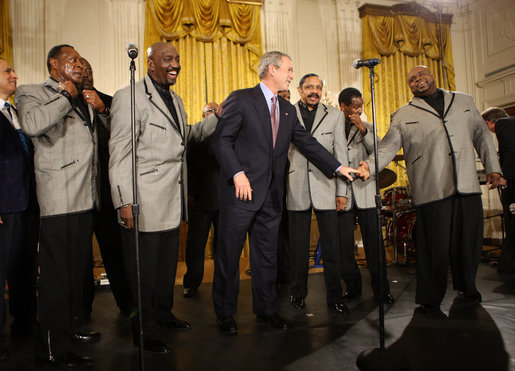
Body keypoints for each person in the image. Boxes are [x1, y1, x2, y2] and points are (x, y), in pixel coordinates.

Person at [211, 51, 365, 335]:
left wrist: (338, 167)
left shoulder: (286, 110)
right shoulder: (241, 99)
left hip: (271, 196)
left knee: (267, 257)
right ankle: (224, 313)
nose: (293, 74)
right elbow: (222, 140)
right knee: (230, 256)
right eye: (290, 69)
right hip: (240, 193)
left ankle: (267, 311)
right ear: (272, 69)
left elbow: (308, 144)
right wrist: (237, 173)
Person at [358, 66, 501, 315]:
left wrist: (493, 168)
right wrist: (369, 167)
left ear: (432, 75)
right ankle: (429, 298)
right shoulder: (402, 114)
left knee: (469, 243)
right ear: (409, 86)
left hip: (466, 184)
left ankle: (467, 287)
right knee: (433, 247)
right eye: (412, 79)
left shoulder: (464, 100)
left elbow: (482, 136)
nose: (417, 80)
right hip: (431, 188)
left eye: (421, 75)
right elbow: (388, 146)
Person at [109, 42, 218, 354]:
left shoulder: (177, 99)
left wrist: (217, 118)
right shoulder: (129, 96)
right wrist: (123, 201)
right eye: (168, 59)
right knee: (142, 270)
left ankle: (162, 312)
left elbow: (188, 137)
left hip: (173, 199)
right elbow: (119, 155)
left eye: (178, 59)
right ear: (150, 63)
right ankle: (144, 329)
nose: (175, 64)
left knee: (166, 265)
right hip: (143, 199)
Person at [16, 44, 107, 367]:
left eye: (81, 61)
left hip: (85, 198)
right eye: (72, 60)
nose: (79, 65)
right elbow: (33, 124)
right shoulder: (32, 92)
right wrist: (66, 96)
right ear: (54, 65)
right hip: (59, 198)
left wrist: (98, 107)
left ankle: (68, 330)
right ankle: (51, 346)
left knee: (74, 275)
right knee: (56, 279)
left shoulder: (85, 98)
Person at [286, 73, 349, 312]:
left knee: (332, 248)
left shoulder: (335, 116)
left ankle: (335, 296)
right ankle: (297, 293)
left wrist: (342, 192)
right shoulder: (287, 113)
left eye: (318, 87)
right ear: (300, 90)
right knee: (298, 248)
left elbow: (341, 154)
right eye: (309, 87)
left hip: (327, 186)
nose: (314, 91)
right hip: (296, 187)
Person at [80, 58, 130, 318]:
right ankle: (81, 310)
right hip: (77, 194)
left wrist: (103, 111)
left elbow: (123, 141)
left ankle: (126, 304)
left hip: (108, 193)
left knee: (114, 252)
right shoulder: (65, 104)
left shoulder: (112, 102)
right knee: (79, 259)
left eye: (90, 69)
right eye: (81, 70)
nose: (86, 73)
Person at [337, 87, 394, 304]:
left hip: (367, 192)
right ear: (343, 106)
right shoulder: (333, 127)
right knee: (344, 245)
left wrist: (363, 130)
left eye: (361, 105)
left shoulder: (368, 128)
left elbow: (380, 155)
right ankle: (353, 288)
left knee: (374, 244)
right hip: (343, 193)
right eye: (354, 105)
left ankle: (382, 290)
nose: (359, 109)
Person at [0, 58, 38, 361]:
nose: (15, 75)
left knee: (25, 267)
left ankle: (25, 324)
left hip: (26, 204)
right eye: (7, 72)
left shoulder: (14, 112)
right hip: (5, 205)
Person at [183, 102, 220, 298]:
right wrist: (189, 195)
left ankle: (222, 282)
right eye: (209, 112)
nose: (212, 114)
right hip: (199, 201)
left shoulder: (227, 135)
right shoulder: (194, 139)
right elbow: (187, 169)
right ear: (203, 115)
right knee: (195, 246)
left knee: (222, 246)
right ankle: (191, 282)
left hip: (224, 202)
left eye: (215, 111)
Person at [482, 107, 515, 273]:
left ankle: (507, 266)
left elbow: (511, 151)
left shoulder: (503, 124)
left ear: (489, 123)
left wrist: (505, 177)